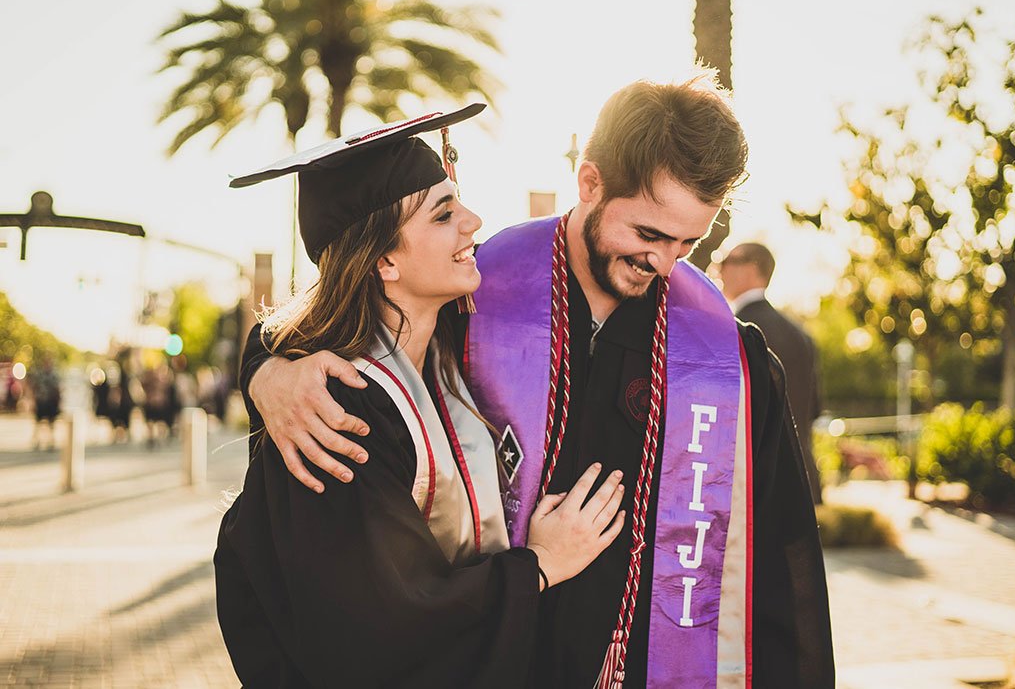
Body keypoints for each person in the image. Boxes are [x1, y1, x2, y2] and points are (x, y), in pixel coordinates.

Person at [241, 77, 835, 687]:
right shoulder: (475, 294)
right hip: (488, 659)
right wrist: (266, 371)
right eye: (648, 234)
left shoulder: (726, 358)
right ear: (590, 183)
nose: (664, 263)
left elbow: (780, 566)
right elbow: (337, 319)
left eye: (689, 242)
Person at [215, 106, 627, 688]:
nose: (474, 222)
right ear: (384, 259)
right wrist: (538, 567)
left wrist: (262, 367)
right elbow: (383, 625)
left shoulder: (452, 346)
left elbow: (277, 336)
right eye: (444, 215)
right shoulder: (338, 411)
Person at [718, 242, 824, 504]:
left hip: (748, 486)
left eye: (725, 261)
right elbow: (814, 409)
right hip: (799, 480)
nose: (718, 269)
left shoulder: (732, 331)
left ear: (751, 269)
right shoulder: (801, 336)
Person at [28, 355, 61, 450]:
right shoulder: (39, 374)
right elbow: (34, 387)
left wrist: (58, 401)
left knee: (51, 423)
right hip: (41, 401)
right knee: (38, 422)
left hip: (51, 402)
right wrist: (32, 400)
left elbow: (57, 389)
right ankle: (37, 441)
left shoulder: (54, 374)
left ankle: (51, 441)